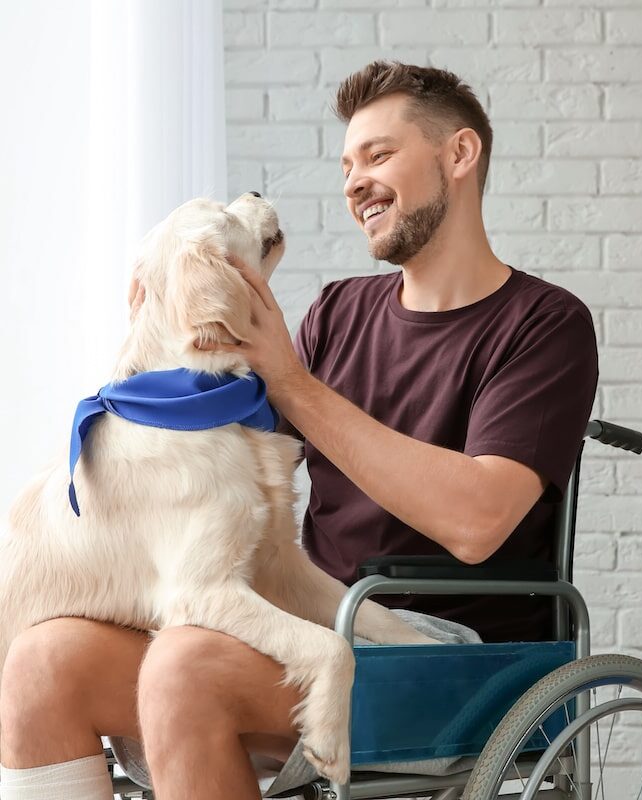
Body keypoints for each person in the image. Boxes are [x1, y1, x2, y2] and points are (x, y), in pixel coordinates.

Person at [0, 61, 597, 800]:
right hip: (312, 624)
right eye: (348, 163)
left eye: (379, 155)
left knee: (185, 666)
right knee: (41, 660)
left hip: (449, 659)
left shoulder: (543, 324)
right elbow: (202, 469)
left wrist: (291, 380)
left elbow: (477, 522)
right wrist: (156, 336)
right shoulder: (338, 312)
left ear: (459, 155)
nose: (354, 181)